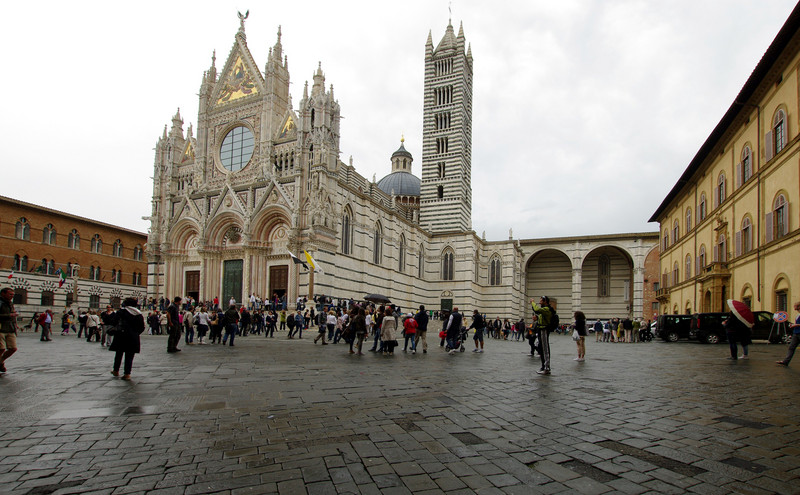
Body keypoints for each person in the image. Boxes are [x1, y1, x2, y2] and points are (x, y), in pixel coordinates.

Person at [109, 297, 145, 381]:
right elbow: (142, 327)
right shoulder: (138, 314)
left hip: (121, 335)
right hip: (133, 337)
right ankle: (127, 374)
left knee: (119, 354)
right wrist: (135, 333)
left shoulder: (121, 312)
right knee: (130, 355)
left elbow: (114, 322)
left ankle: (116, 370)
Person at [531, 297, 555, 375]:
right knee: (541, 348)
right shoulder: (544, 309)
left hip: (544, 329)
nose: (539, 302)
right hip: (541, 329)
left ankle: (547, 368)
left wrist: (532, 302)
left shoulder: (546, 309)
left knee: (545, 348)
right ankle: (543, 366)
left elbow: (536, 310)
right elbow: (536, 311)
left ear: (545, 301)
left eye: (541, 301)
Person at [0, 287, 19, 373]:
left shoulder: (10, 303)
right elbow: (10, 315)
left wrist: (15, 325)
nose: (12, 296)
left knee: (13, 348)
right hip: (1, 328)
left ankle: (1, 361)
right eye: (10, 294)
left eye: (13, 295)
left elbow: (13, 315)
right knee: (1, 349)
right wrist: (9, 315)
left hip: (10, 328)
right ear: (3, 293)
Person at [777, 301, 800, 366]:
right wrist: (793, 325)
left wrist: (796, 325)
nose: (794, 307)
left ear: (799, 307)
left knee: (792, 347)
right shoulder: (798, 315)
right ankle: (786, 361)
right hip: (796, 332)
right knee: (791, 347)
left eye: (795, 306)